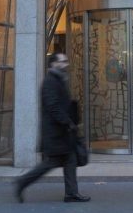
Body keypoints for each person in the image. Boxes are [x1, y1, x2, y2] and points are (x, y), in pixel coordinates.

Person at [14, 53, 90, 203]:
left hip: (61, 132)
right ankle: (23, 181)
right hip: (56, 132)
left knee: (70, 159)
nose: (66, 64)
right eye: (63, 61)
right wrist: (68, 122)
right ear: (54, 63)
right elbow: (53, 107)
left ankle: (71, 193)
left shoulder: (58, 80)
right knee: (53, 162)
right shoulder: (50, 82)